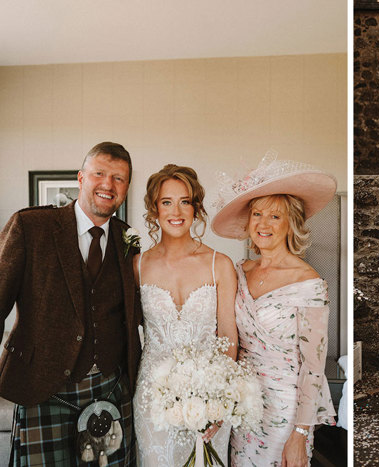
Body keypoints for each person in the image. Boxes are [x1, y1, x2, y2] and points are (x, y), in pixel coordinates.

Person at [0, 142, 141, 466]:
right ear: (81, 178)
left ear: (126, 188)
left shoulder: (128, 240)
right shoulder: (31, 227)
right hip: (43, 386)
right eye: (100, 174)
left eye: (119, 178)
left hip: (110, 386)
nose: (108, 184)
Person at [211, 156, 337, 467]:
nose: (262, 224)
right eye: (256, 214)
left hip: (285, 413)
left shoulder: (308, 283)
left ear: (291, 223)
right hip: (242, 406)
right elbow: (226, 338)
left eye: (275, 216)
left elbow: (313, 367)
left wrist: (299, 432)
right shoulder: (238, 271)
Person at [132, 164, 238, 465]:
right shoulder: (137, 266)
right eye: (166, 202)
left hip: (209, 398)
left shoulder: (220, 264)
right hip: (153, 397)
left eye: (185, 201)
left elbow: (228, 336)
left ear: (196, 207)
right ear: (155, 209)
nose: (175, 211)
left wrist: (218, 400)